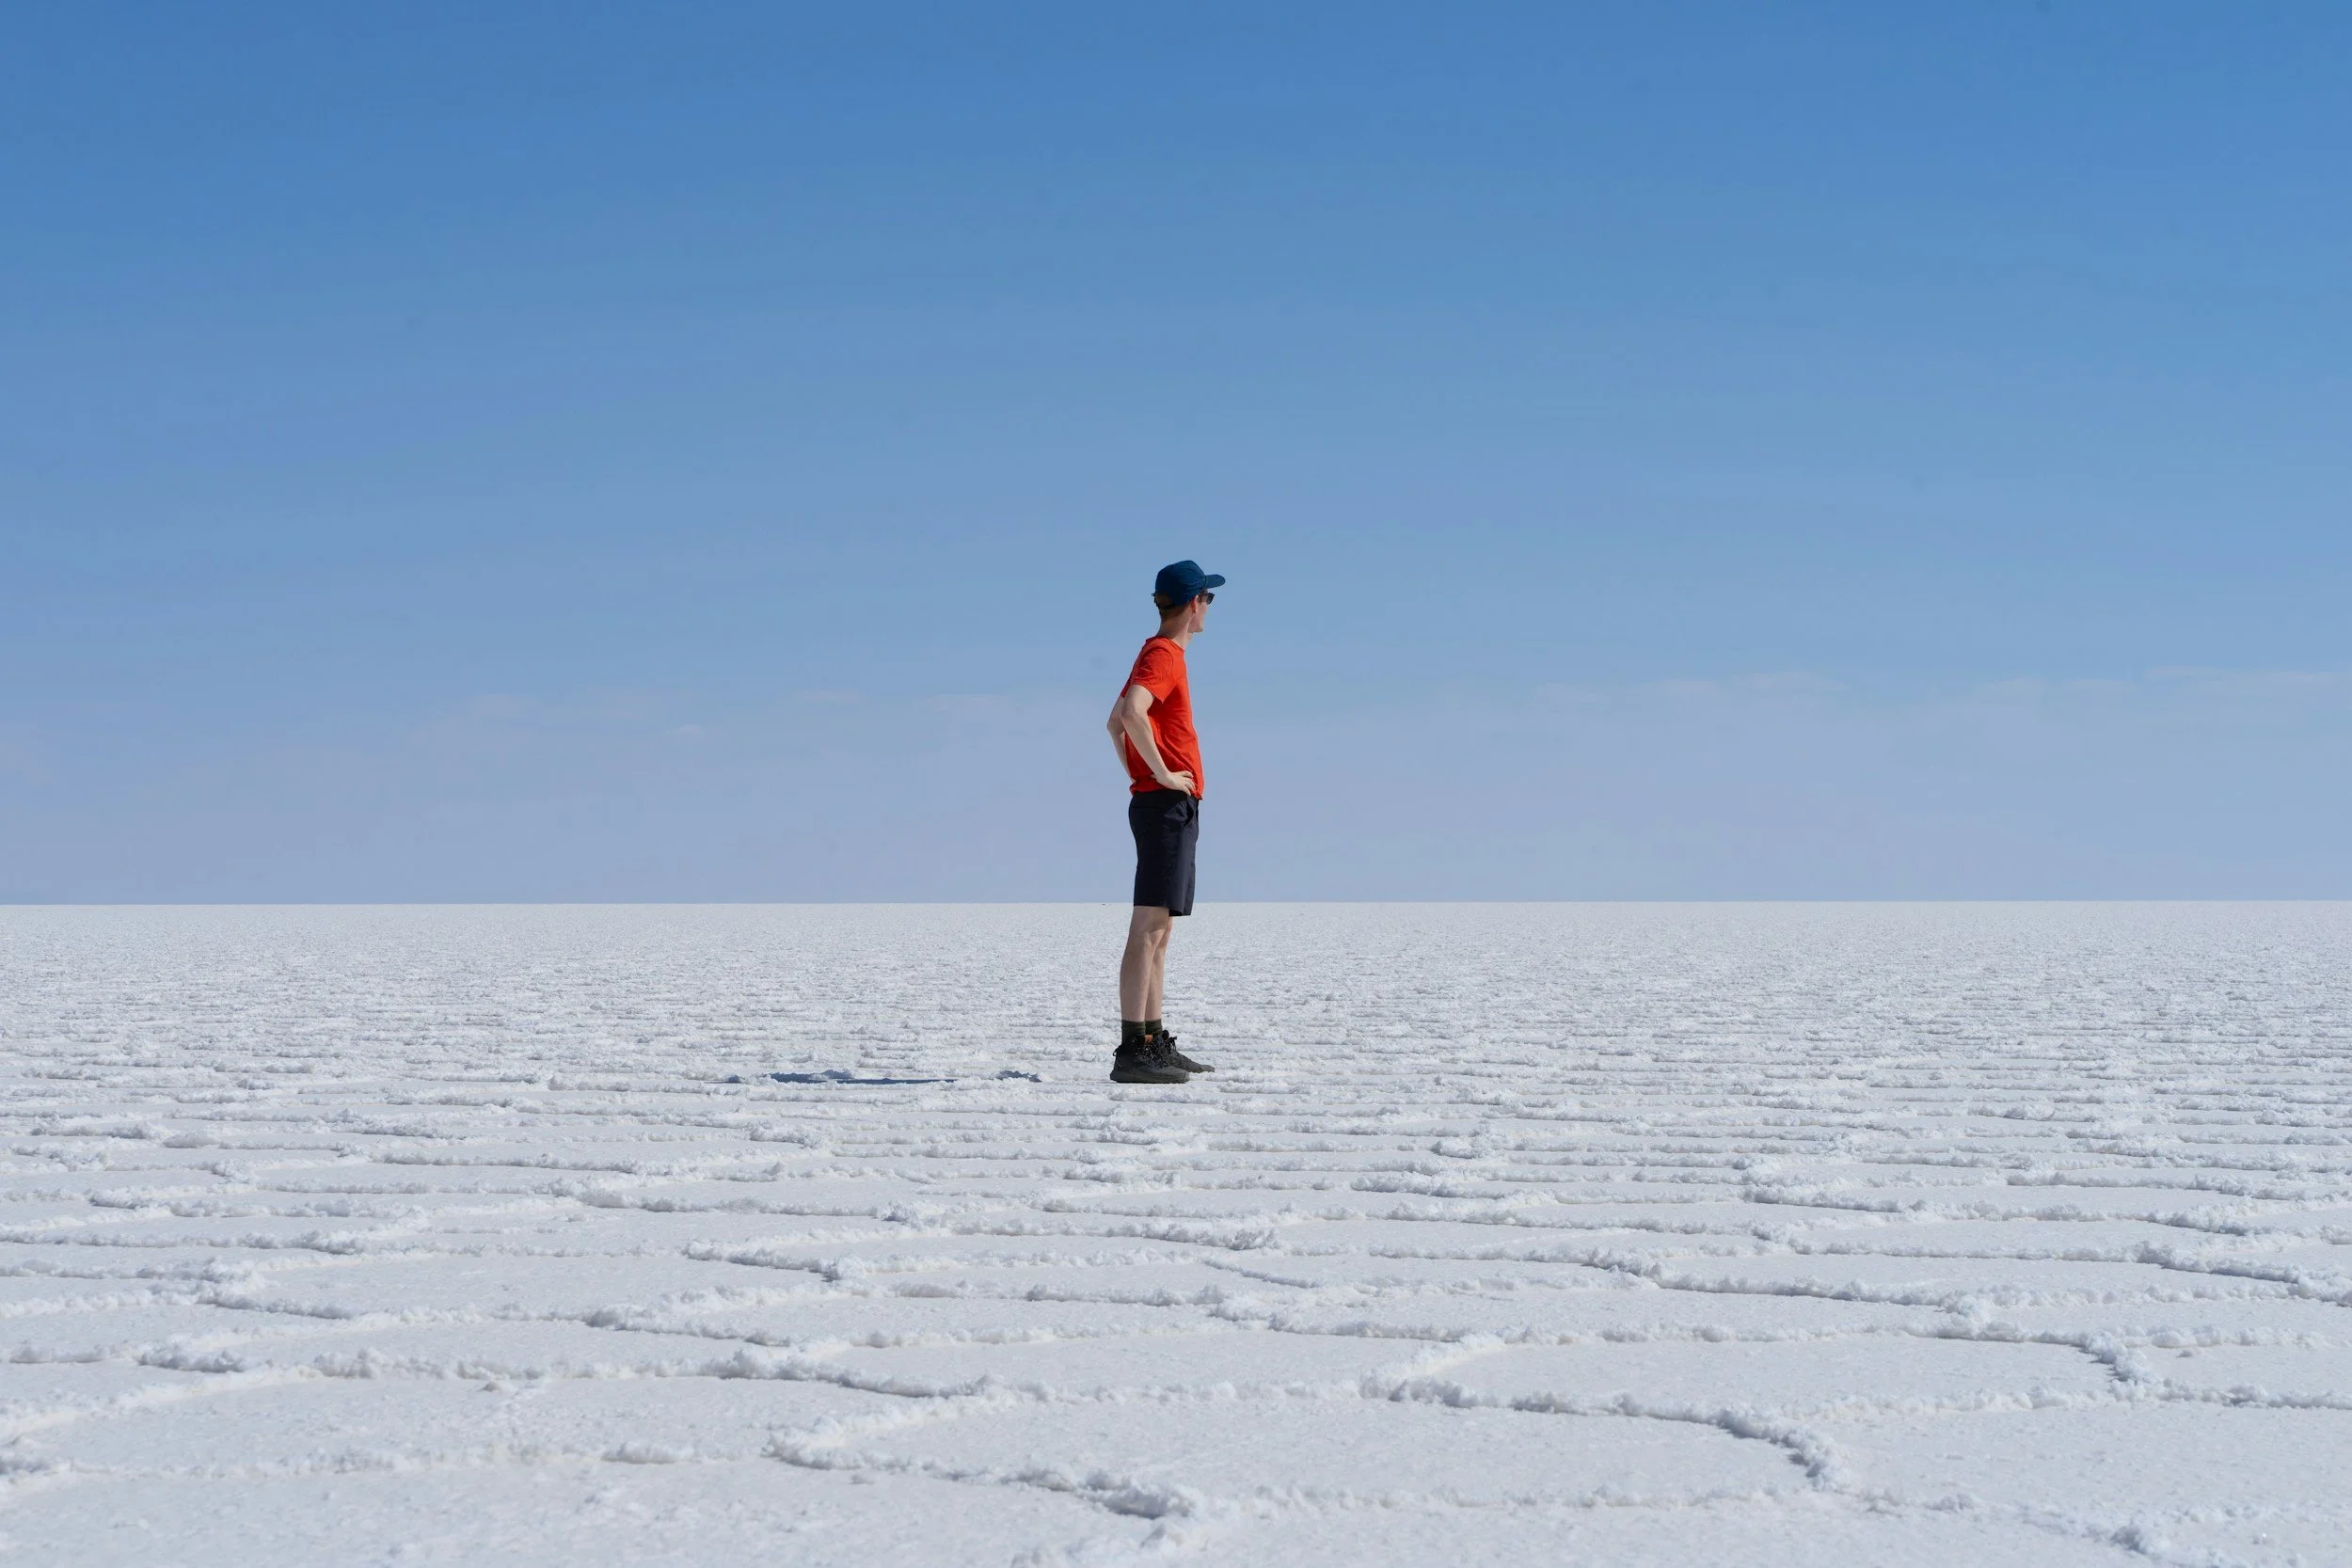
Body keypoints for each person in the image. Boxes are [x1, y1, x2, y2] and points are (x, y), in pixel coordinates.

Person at [1104, 560, 1225, 1085]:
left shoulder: (1160, 654)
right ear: (1194, 602)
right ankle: (1133, 1050)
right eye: (1208, 599)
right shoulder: (1164, 655)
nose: (1209, 609)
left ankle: (1152, 1040)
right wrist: (1160, 776)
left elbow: (1116, 723)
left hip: (1164, 804)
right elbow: (1131, 713)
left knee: (1161, 931)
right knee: (1147, 928)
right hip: (1164, 805)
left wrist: (1141, 773)